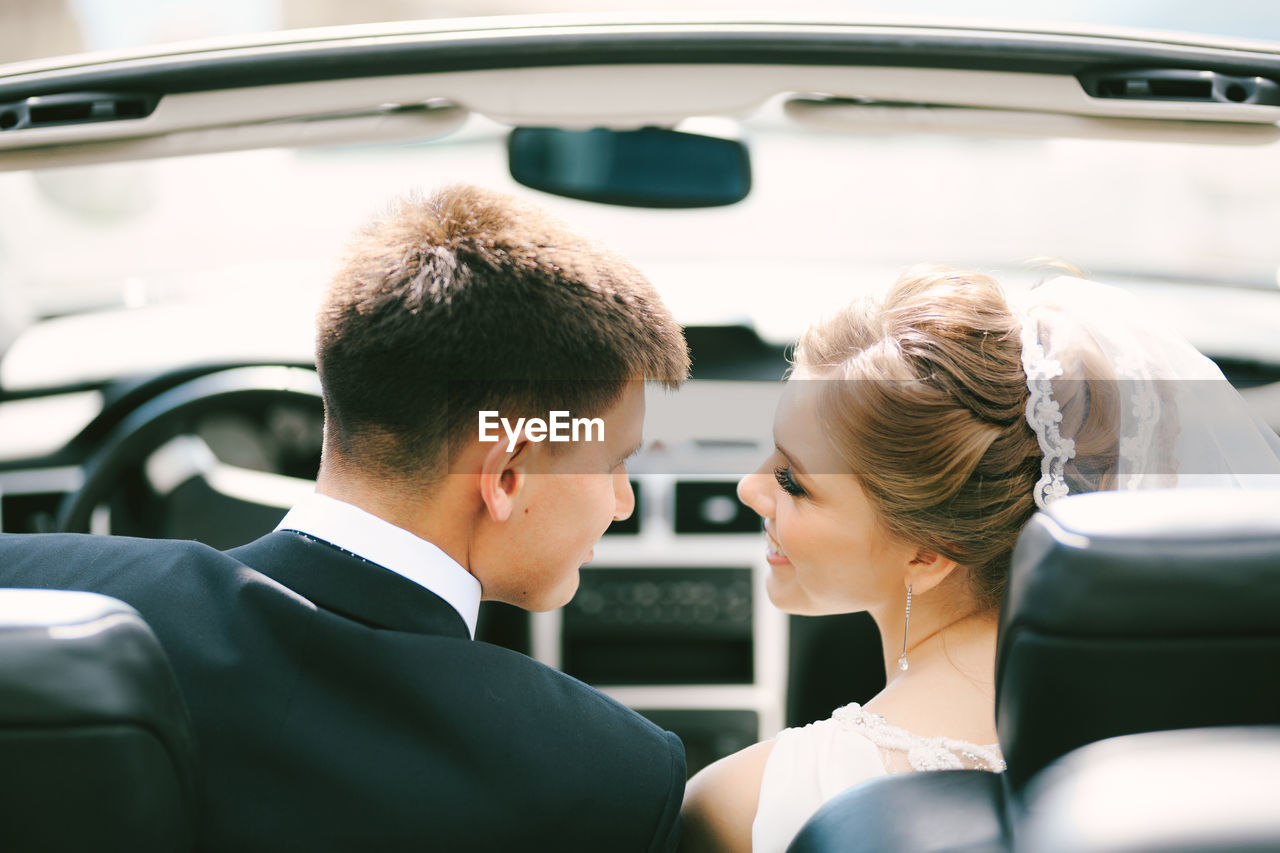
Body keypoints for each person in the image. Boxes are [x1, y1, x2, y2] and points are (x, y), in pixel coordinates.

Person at [0, 185, 691, 852]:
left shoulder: (32, 596)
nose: (622, 501)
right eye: (613, 462)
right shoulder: (611, 778)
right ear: (505, 474)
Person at [679, 265, 1280, 853]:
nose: (749, 490)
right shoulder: (1215, 767)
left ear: (927, 552)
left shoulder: (746, 806)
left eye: (792, 480)